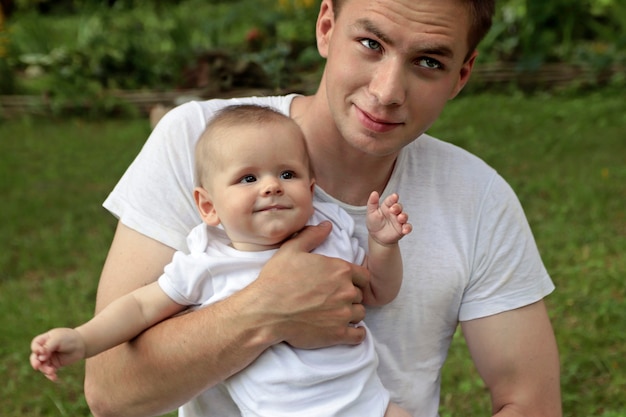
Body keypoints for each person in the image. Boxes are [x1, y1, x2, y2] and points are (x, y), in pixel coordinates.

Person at [84, 0, 562, 416]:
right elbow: (110, 392)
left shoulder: (478, 196)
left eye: (428, 62)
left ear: (461, 75)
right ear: (327, 28)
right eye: (372, 44)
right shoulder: (199, 143)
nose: (387, 91)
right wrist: (265, 310)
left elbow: (530, 401)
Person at [31, 105, 412, 417]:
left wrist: (383, 245)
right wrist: (83, 339)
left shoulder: (330, 231)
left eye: (287, 173)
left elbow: (378, 291)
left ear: (311, 190)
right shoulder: (207, 262)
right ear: (209, 206)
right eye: (248, 178)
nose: (271, 185)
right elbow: (140, 307)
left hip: (372, 406)